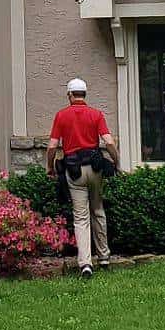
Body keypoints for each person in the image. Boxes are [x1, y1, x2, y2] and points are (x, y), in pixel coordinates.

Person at [45, 77, 118, 276]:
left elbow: (52, 146)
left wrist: (50, 167)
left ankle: (85, 263)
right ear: (84, 94)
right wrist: (116, 162)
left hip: (74, 170)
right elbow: (109, 142)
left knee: (81, 217)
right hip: (95, 168)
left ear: (70, 95)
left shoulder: (62, 116)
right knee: (98, 210)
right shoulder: (96, 114)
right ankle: (104, 257)